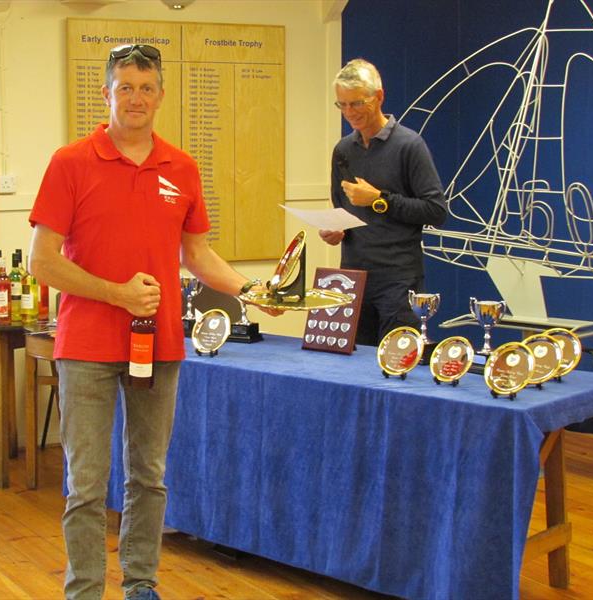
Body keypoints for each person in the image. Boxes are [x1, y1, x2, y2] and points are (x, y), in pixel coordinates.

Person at [28, 44, 269, 600]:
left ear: (161, 96)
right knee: (86, 486)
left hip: (158, 346)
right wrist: (116, 293)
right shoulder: (71, 162)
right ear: (106, 93)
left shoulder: (181, 167)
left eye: (146, 87)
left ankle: (141, 585)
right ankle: (84, 591)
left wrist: (254, 290)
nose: (135, 98)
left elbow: (198, 255)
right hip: (86, 345)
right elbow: (43, 263)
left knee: (149, 477)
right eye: (125, 86)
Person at [319, 58, 447, 346]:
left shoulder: (409, 145)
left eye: (357, 103)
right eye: (342, 105)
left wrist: (380, 200)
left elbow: (436, 210)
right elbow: (343, 209)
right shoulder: (343, 149)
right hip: (353, 277)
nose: (349, 113)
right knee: (352, 367)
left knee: (397, 363)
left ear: (379, 97)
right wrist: (334, 230)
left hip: (398, 280)